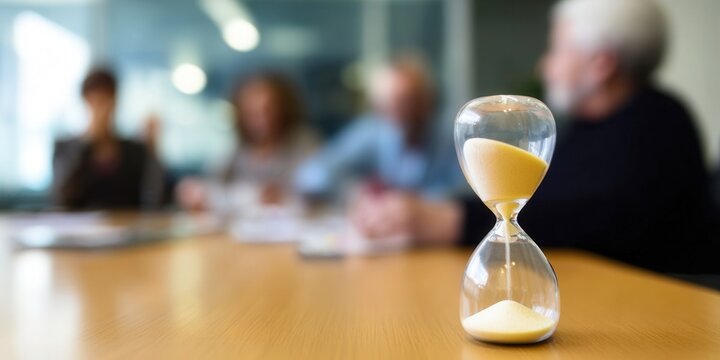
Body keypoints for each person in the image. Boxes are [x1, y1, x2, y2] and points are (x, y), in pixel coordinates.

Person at [353, 0, 717, 273]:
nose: (544, 65)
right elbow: (539, 200)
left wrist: (453, 220)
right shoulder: (587, 127)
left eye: (557, 49)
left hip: (659, 309)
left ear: (600, 64)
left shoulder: (658, 124)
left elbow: (597, 219)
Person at [294, 57, 464, 201]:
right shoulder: (370, 132)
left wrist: (407, 201)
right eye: (391, 104)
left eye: (410, 100)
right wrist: (353, 190)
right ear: (379, 107)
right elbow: (312, 174)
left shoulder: (450, 138)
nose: (403, 112)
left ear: (428, 101)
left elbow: (469, 195)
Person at [176, 72, 316, 211]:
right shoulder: (237, 149)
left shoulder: (302, 143)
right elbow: (208, 187)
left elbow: (313, 195)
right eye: (251, 112)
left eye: (267, 110)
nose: (261, 120)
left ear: (282, 109)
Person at [52, 69, 164, 209]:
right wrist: (87, 143)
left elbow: (154, 200)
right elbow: (60, 200)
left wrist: (153, 151)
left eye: (106, 100)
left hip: (127, 229)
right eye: (94, 100)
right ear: (85, 101)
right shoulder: (65, 149)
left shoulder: (134, 151)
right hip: (79, 230)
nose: (101, 109)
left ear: (115, 101)